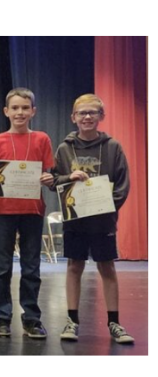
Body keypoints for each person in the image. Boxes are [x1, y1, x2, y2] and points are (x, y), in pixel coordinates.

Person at [52, 94, 134, 344]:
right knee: (74, 266)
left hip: (102, 220)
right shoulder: (65, 148)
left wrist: (107, 207)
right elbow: (54, 180)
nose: (87, 117)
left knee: (107, 267)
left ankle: (114, 323)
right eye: (82, 113)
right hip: (75, 219)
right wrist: (68, 179)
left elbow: (122, 184)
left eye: (92, 112)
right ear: (73, 117)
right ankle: (72, 321)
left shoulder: (113, 147)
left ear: (101, 117)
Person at [0, 88, 55, 339]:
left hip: (33, 211)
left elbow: (49, 173)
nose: (20, 112)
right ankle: (2, 317)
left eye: (25, 108)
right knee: (1, 268)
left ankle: (32, 319)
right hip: (3, 210)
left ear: (33, 111)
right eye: (15, 108)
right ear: (6, 111)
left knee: (31, 268)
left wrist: (48, 178)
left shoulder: (42, 139)